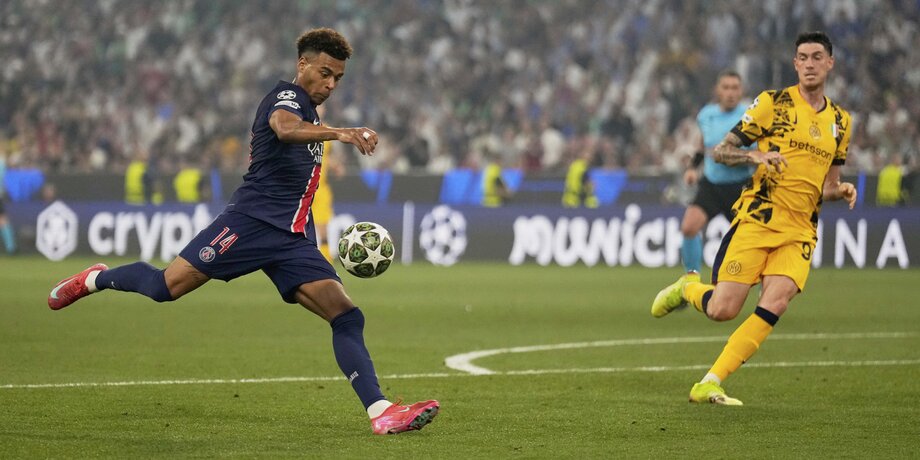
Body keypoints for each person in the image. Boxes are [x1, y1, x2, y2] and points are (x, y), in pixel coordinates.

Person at [47, 28, 439, 435]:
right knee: (165, 287)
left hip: (291, 238)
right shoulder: (286, 97)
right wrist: (341, 133)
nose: (330, 84)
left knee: (346, 316)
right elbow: (283, 128)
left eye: (337, 78)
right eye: (325, 73)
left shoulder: (312, 112)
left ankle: (381, 411)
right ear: (303, 64)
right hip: (249, 223)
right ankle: (95, 279)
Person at [651, 31, 857, 405]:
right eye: (803, 58)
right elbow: (720, 151)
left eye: (817, 57)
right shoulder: (772, 104)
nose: (809, 64)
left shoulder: (841, 122)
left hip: (800, 231)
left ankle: (709, 382)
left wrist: (839, 191)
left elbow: (827, 185)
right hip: (759, 218)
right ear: (795, 64)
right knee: (723, 310)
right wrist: (753, 156)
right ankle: (687, 287)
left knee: (776, 302)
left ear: (830, 63)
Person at [663, 70, 753, 294]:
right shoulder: (706, 114)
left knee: (751, 241)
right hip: (712, 184)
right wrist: (693, 169)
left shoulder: (750, 115)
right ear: (717, 90)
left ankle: (759, 285)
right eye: (726, 87)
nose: (730, 93)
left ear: (741, 91)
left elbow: (759, 152)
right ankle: (690, 281)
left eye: (735, 88)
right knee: (689, 227)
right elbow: (702, 145)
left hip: (741, 186)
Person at [0, 152, 15, 254]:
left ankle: (11, 247)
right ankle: (11, 247)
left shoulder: (1, 162)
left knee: (3, 220)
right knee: (3, 220)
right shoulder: (2, 162)